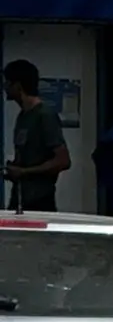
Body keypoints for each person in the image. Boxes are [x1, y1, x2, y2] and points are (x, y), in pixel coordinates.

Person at [5, 60, 70, 212]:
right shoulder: (23, 116)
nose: (5, 87)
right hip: (21, 199)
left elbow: (63, 161)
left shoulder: (44, 115)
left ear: (18, 85)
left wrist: (25, 172)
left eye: (8, 83)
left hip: (39, 201)